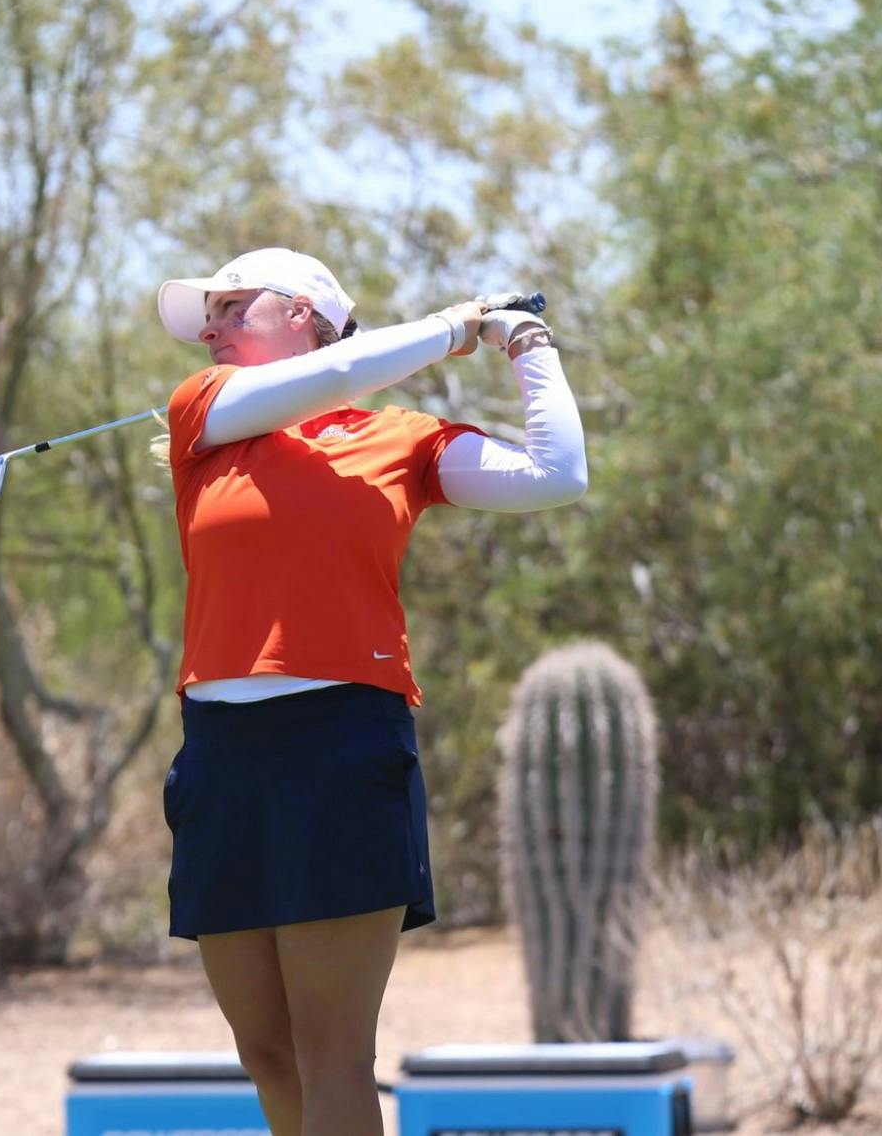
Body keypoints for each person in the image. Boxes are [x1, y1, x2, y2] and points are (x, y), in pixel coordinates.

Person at [155, 246, 587, 1136]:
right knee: (266, 1054)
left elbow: (557, 474)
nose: (213, 326)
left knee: (331, 1052)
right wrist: (451, 327)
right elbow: (345, 367)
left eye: (236, 306)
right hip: (222, 759)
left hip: (340, 746)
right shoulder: (203, 413)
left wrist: (526, 344)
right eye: (212, 313)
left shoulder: (401, 441)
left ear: (305, 313)